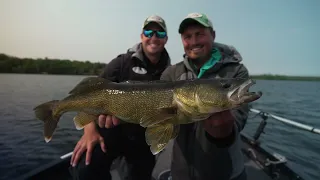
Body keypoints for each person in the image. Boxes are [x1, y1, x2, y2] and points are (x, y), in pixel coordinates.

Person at [69, 15, 171, 180]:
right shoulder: (121, 63)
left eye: (160, 34)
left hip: (142, 138)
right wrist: (89, 131)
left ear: (166, 39)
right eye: (148, 32)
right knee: (85, 170)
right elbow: (89, 95)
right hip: (111, 133)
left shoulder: (170, 73)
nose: (154, 37)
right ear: (141, 36)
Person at [159, 13, 250, 180]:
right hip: (182, 173)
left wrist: (225, 132)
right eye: (187, 36)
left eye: (199, 34)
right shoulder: (171, 73)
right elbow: (161, 121)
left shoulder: (236, 71)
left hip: (226, 174)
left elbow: (239, 119)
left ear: (213, 35)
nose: (194, 42)